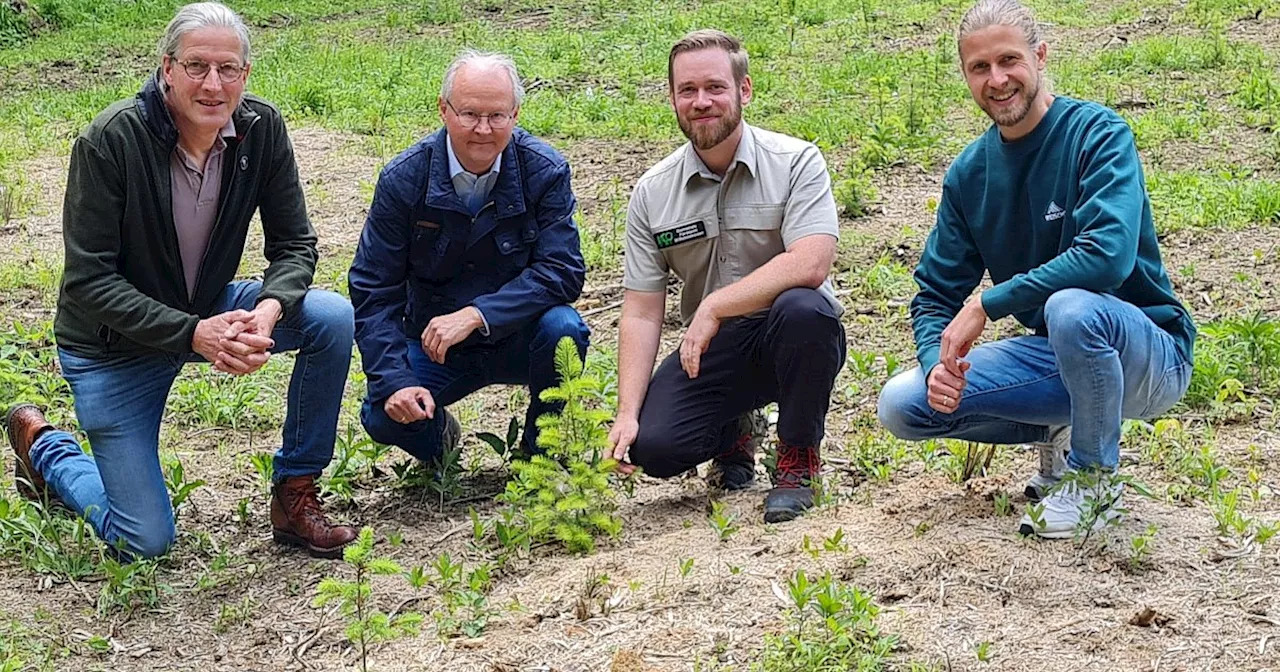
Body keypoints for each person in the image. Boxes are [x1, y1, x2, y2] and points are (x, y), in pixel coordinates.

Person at [1, 2, 357, 560]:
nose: (213, 84)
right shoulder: (110, 140)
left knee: (330, 316)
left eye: (228, 69)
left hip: (205, 305)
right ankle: (46, 450)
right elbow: (90, 281)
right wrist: (196, 334)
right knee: (145, 540)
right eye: (196, 66)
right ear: (166, 69)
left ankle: (295, 493)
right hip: (113, 345)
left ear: (246, 75)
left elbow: (294, 245)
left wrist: (267, 311)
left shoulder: (261, 130)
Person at [877, 0, 1196, 539]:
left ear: (1040, 56)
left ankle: (1094, 481)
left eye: (1009, 60)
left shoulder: (1096, 133)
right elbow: (933, 293)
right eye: (980, 68)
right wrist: (936, 365)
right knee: (903, 405)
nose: (997, 80)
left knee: (1070, 308)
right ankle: (1059, 434)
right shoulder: (969, 175)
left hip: (1147, 354)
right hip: (1059, 354)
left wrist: (986, 302)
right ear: (965, 75)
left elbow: (1107, 257)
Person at [607, 30, 846, 523]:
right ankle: (733, 432)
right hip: (712, 351)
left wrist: (715, 305)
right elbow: (641, 310)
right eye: (687, 90)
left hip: (791, 334)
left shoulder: (797, 161)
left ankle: (797, 462)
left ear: (745, 90)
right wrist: (627, 412)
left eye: (715, 87)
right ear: (672, 98)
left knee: (806, 309)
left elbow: (811, 262)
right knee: (655, 447)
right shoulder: (652, 193)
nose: (701, 102)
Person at [349, 51, 589, 468]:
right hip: (435, 346)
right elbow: (374, 289)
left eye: (497, 116)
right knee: (382, 413)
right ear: (443, 110)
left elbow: (563, 270)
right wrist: (396, 381)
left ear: (515, 113)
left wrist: (477, 314)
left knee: (564, 330)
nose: (482, 129)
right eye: (469, 114)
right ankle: (438, 439)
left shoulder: (545, 171)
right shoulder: (404, 179)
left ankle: (542, 460)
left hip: (520, 335)